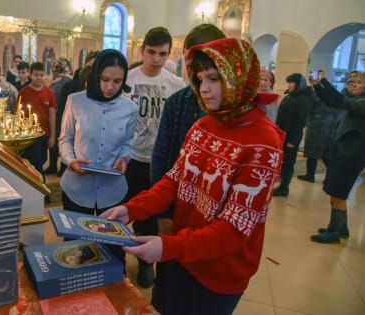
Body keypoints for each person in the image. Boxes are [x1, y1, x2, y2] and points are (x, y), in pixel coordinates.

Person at [101, 37, 284, 315]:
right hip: (181, 256)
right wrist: (131, 209)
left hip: (218, 272)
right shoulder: (204, 125)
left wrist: (167, 247)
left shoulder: (263, 141)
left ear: (238, 78)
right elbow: (174, 181)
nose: (205, 89)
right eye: (200, 79)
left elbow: (234, 230)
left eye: (214, 78)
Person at [150, 23, 225, 312]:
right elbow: (162, 160)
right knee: (170, 289)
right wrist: (162, 214)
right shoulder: (177, 102)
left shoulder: (231, 109)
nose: (201, 78)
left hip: (215, 223)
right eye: (194, 62)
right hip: (177, 211)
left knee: (203, 291)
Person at [58, 49, 138, 262]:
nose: (110, 87)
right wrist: (71, 161)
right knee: (75, 249)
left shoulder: (130, 109)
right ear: (95, 76)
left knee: (112, 249)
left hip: (112, 190)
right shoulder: (75, 101)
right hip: (77, 187)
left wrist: (124, 158)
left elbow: (127, 144)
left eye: (117, 81)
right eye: (104, 79)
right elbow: (64, 139)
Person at [124, 26, 186, 288]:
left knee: (153, 213)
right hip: (129, 158)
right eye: (151, 52)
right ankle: (118, 258)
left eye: (162, 53)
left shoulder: (175, 84)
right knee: (126, 209)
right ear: (142, 51)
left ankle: (147, 263)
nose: (156, 59)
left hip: (160, 161)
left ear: (168, 53)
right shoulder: (127, 78)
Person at [310, 71, 365, 243]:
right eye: (350, 81)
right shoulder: (354, 100)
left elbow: (339, 100)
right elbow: (331, 100)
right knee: (335, 191)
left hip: (351, 155)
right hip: (342, 152)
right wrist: (317, 85)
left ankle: (333, 233)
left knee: (338, 193)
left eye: (358, 82)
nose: (353, 84)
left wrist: (324, 81)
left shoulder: (361, 103)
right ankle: (341, 228)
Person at [16, 62, 56, 195]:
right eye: (35, 75)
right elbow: (18, 114)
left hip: (44, 134)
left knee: (41, 161)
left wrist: (52, 136)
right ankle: (43, 192)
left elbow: (51, 115)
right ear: (30, 75)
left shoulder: (49, 93)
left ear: (45, 76)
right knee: (36, 163)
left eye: (41, 75)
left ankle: (34, 188)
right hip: (30, 135)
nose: (38, 78)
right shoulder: (24, 92)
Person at [273, 73, 314, 197]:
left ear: (298, 84)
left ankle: (284, 188)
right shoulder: (290, 96)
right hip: (283, 134)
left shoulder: (302, 99)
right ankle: (281, 186)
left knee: (288, 163)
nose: (289, 85)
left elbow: (299, 122)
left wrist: (292, 140)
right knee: (283, 161)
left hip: (291, 136)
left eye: (292, 83)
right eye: (288, 82)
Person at [297, 93, 339, 183]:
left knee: (312, 154)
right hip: (329, 129)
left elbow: (308, 109)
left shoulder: (316, 96)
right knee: (326, 155)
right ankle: (331, 177)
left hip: (316, 127)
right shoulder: (334, 98)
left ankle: (310, 175)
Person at [45, 57, 72, 175]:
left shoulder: (61, 82)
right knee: (57, 139)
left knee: (60, 139)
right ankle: (56, 167)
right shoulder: (66, 80)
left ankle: (58, 166)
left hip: (59, 114)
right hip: (59, 114)